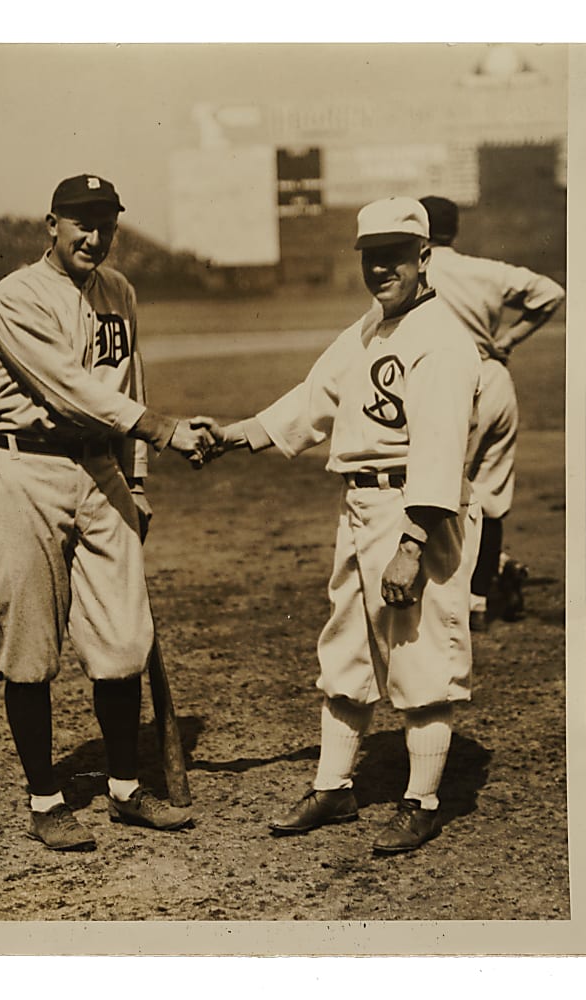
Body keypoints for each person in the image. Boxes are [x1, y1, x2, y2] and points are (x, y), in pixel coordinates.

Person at [198, 197, 482, 853]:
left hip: (415, 508)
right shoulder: (369, 328)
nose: (381, 266)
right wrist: (237, 437)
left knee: (418, 660)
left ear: (424, 257)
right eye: (371, 255)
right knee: (346, 652)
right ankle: (334, 787)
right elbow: (313, 399)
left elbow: (440, 452)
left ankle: (422, 801)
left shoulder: (440, 339)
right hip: (359, 507)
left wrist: (413, 546)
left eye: (395, 254)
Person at [0, 174, 214, 851]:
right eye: (81, 223)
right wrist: (161, 429)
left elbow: (130, 384)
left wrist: (138, 480)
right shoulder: (14, 297)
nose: (94, 237)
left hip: (101, 468)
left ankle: (127, 793)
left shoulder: (120, 293)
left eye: (106, 224)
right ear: (51, 225)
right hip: (24, 468)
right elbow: (68, 390)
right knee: (28, 646)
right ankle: (46, 800)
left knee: (122, 638)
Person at [420, 196, 566, 631]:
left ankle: (443, 598)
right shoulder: (484, 270)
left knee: (438, 488)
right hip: (497, 379)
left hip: (452, 383)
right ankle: (479, 602)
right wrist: (509, 338)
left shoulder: (419, 269)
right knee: (491, 497)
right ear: (455, 230)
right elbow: (551, 292)